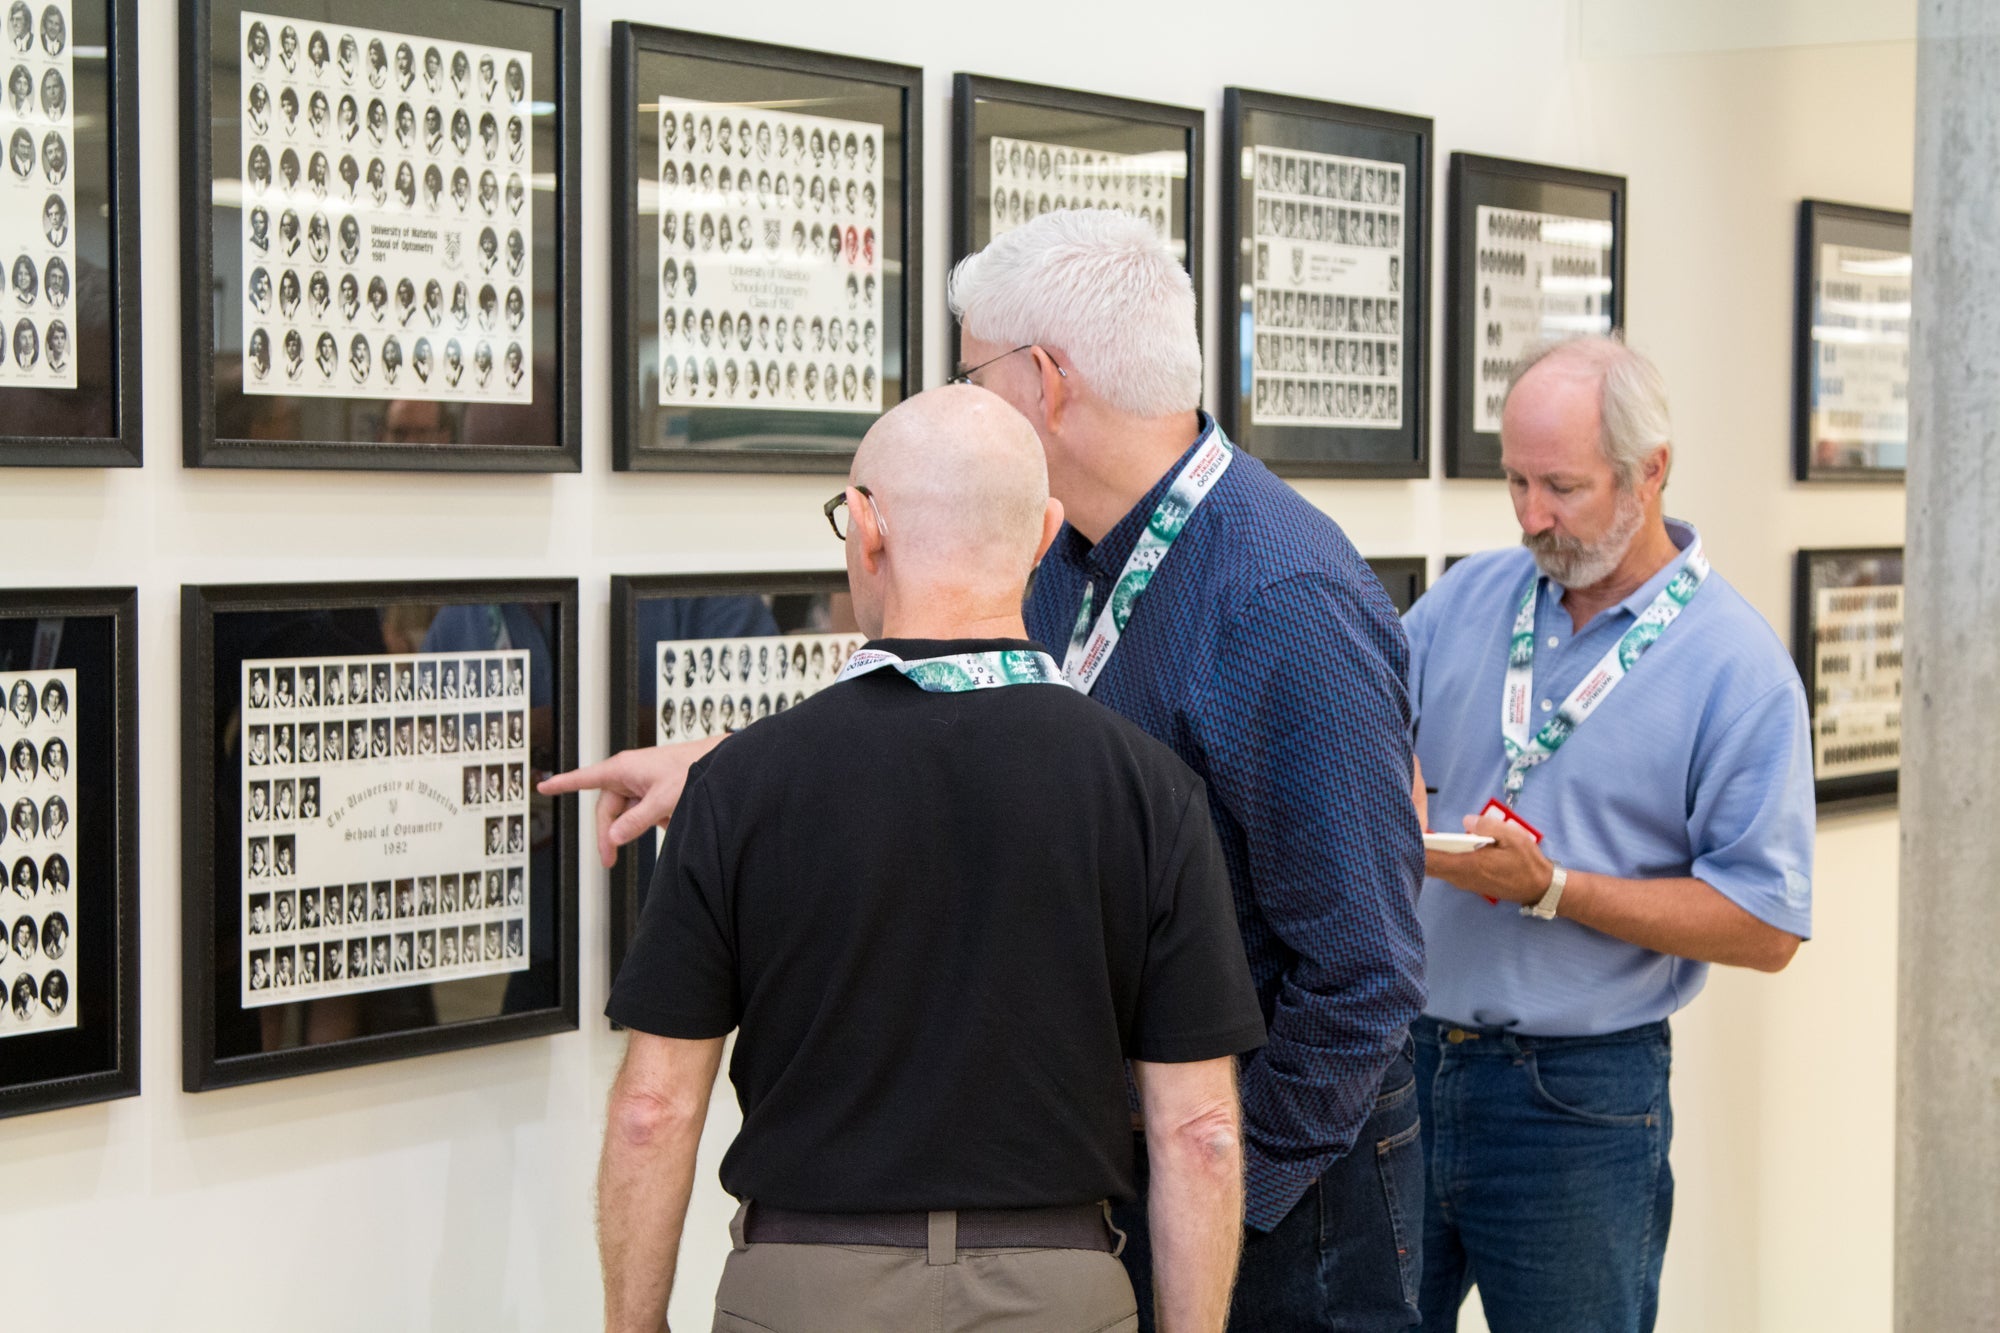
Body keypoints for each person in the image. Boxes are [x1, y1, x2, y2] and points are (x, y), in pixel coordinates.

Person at [548, 209, 1427, 1332]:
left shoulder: (1279, 600)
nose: (954, 401)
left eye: (969, 371)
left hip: (1280, 1203)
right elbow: (989, 735)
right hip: (1120, 1198)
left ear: (1046, 382)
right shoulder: (1063, 557)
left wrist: (1209, 1188)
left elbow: (1363, 972)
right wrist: (734, 766)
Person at [597, 385, 1265, 1333]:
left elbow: (652, 1111)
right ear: (1043, 536)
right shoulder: (1149, 790)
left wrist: (633, 1323)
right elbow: (1199, 1132)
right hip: (1058, 1291)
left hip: (804, 1293)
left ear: (866, 530)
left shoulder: (739, 783)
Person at [1402, 336, 1813, 1333]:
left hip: (1575, 1104)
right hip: (1405, 1067)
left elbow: (1764, 926)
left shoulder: (1735, 668)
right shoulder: (1465, 600)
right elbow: (1363, 722)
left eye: (1561, 487)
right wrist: (1388, 787)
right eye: (1512, 481)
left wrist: (1554, 888)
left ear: (1649, 472)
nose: (1529, 515)